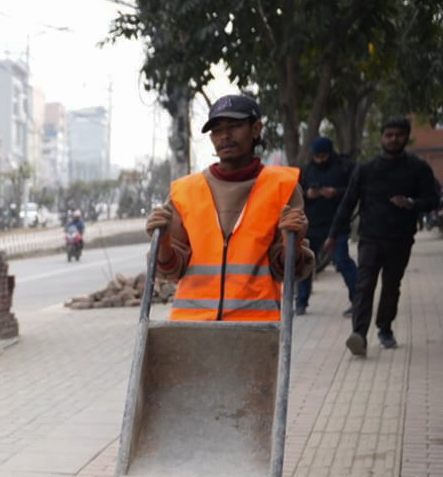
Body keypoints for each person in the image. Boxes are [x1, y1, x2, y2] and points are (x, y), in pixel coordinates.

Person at [145, 93, 313, 321]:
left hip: (255, 332)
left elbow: (287, 271)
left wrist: (291, 242)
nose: (224, 136)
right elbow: (171, 271)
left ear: (256, 129)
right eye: (216, 130)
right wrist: (163, 242)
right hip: (191, 331)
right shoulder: (185, 192)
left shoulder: (282, 187)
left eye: (234, 126)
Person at [329, 116, 442, 355]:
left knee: (391, 286)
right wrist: (333, 235)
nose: (393, 139)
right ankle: (358, 334)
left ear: (406, 137)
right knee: (364, 285)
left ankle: (385, 328)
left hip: (401, 239)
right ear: (382, 137)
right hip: (370, 237)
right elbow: (347, 203)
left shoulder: (418, 168)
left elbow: (433, 200)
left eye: (399, 135)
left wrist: (411, 202)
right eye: (389, 135)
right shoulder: (366, 169)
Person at [297, 136, 357, 317]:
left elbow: (356, 191)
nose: (320, 160)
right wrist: (308, 194)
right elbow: (296, 194)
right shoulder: (306, 171)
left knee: (342, 261)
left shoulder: (344, 167)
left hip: (337, 225)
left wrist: (336, 192)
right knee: (304, 263)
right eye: (317, 156)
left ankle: (358, 300)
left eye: (323, 156)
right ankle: (301, 301)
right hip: (312, 225)